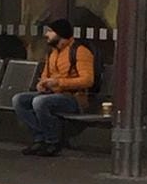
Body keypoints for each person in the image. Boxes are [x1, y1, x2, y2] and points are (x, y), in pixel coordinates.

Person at [12, 18, 95, 157]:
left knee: (40, 102)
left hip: (73, 98)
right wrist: (42, 84)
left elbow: (87, 80)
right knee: (19, 100)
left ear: (60, 34)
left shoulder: (80, 51)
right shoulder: (52, 53)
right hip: (52, 94)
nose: (47, 35)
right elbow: (45, 75)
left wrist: (59, 83)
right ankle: (40, 138)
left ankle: (53, 141)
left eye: (50, 31)